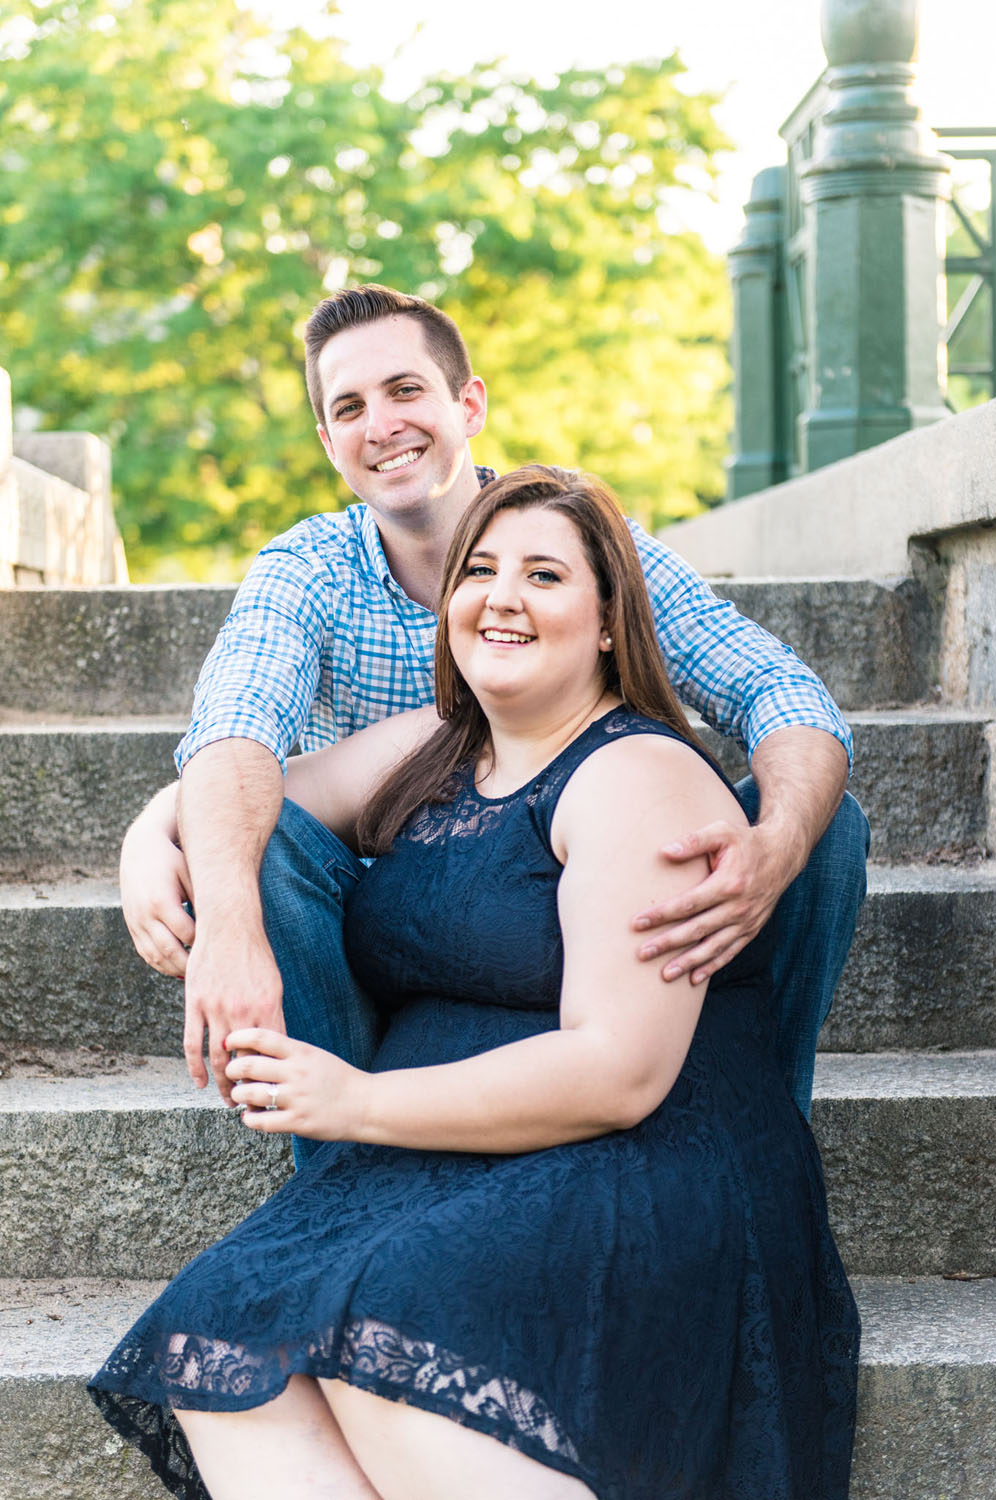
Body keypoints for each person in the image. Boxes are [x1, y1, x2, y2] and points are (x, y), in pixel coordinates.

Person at [90, 466, 860, 1500]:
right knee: (221, 1351)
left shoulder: (641, 778)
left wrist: (353, 1100)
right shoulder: (432, 747)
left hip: (626, 1150)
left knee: (380, 1352)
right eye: (480, 570)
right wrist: (149, 837)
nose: (500, 595)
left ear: (604, 624)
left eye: (543, 574)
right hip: (436, 1156)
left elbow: (617, 1073)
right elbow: (233, 795)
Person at [120, 285, 868, 1133]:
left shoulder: (574, 539)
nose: (383, 425)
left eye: (406, 390)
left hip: (586, 898)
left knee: (824, 823)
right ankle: (342, 1165)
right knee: (261, 844)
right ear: (329, 442)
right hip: (405, 922)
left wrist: (776, 845)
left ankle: (767, 1121)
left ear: (466, 403)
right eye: (350, 408)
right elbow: (236, 731)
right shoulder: (309, 569)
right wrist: (189, 867)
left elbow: (779, 690)